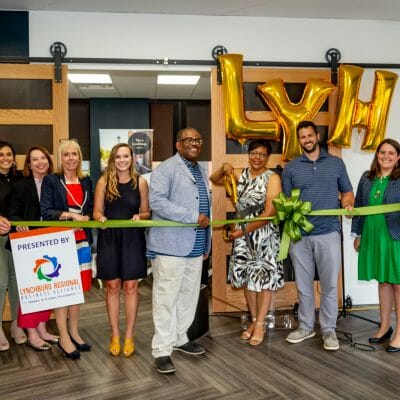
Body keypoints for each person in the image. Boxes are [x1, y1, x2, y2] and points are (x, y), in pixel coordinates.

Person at [281, 120, 354, 351]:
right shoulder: (291, 168)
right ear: (299, 140)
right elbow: (287, 202)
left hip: (329, 232)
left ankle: (329, 330)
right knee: (303, 285)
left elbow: (347, 192)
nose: (307, 140)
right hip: (299, 235)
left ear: (317, 136)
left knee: (330, 285)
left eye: (310, 135)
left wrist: (349, 204)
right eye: (302, 137)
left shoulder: (336, 164)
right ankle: (305, 326)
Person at [147, 127, 210, 374]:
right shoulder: (166, 169)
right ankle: (162, 349)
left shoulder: (200, 170)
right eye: (189, 140)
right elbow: (158, 202)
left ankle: (180, 337)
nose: (195, 143)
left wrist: (205, 243)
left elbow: (205, 207)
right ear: (178, 144)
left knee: (189, 296)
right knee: (166, 299)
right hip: (170, 247)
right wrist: (192, 217)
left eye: (198, 139)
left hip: (195, 247)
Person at [210, 139, 284, 345]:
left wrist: (240, 233)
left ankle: (260, 324)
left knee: (265, 280)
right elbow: (214, 178)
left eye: (262, 154)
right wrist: (223, 168)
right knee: (248, 280)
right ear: (248, 154)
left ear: (267, 157)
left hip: (264, 234)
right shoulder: (240, 175)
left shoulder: (273, 178)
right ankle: (253, 320)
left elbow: (269, 213)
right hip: (243, 236)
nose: (257, 158)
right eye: (254, 153)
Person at [93, 143, 150, 357]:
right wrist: (100, 218)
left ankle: (129, 336)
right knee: (112, 286)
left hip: (133, 238)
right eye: (118, 157)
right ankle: (115, 334)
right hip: (109, 238)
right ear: (113, 160)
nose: (122, 160)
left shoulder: (141, 182)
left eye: (126, 156)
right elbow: (97, 211)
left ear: (132, 158)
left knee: (131, 287)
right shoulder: (103, 181)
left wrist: (139, 217)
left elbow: (146, 212)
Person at [41, 140, 94, 359]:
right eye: (66, 155)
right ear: (60, 158)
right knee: (63, 289)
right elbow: (46, 211)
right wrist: (71, 216)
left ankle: (74, 331)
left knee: (78, 289)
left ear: (79, 157)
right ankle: (63, 336)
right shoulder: (51, 180)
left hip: (82, 240)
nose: (71, 158)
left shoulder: (86, 180)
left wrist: (87, 218)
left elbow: (90, 209)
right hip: (61, 241)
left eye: (75, 154)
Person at [9, 146, 59, 351]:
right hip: (29, 242)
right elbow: (13, 212)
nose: (40, 162)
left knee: (47, 287)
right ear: (29, 164)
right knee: (31, 289)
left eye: (43, 158)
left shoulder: (56, 182)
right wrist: (18, 222)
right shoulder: (22, 185)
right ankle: (31, 330)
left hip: (52, 240)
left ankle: (42, 326)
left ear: (49, 161)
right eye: (35, 159)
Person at [352, 138, 400, 352]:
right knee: (383, 281)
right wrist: (358, 233)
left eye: (391, 153)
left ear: (398, 157)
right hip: (372, 234)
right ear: (377, 155)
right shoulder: (366, 178)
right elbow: (359, 207)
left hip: (395, 236)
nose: (386, 157)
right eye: (382, 153)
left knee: (397, 283)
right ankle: (384, 326)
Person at [0, 141, 27, 351]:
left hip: (16, 239)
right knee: (0, 284)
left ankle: (17, 325)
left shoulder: (19, 179)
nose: (5, 158)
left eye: (9, 154)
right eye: (1, 155)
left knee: (16, 282)